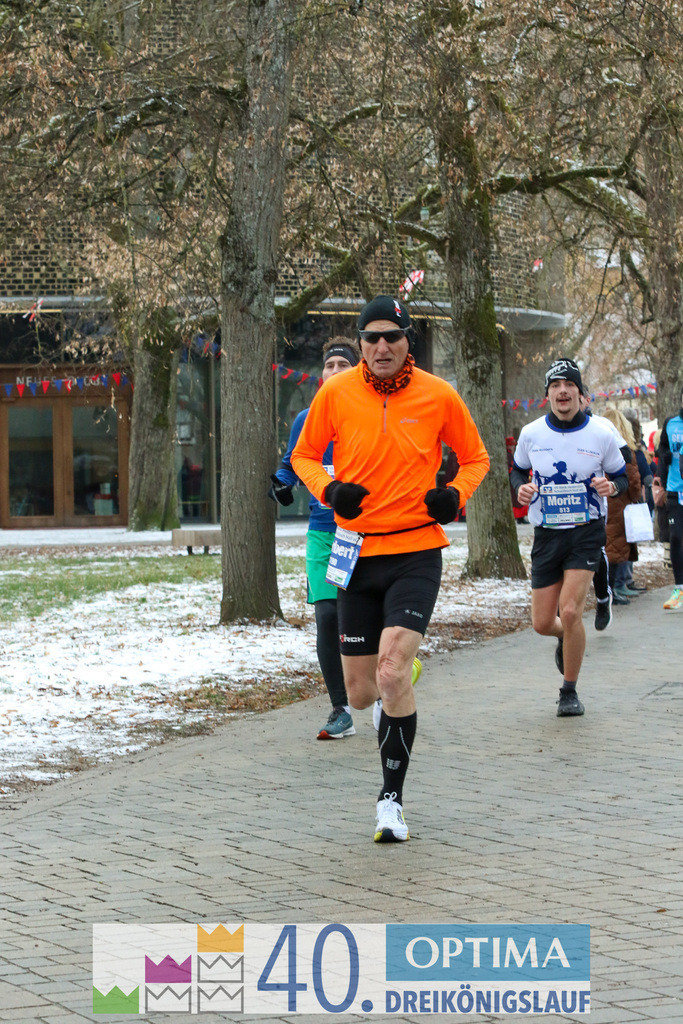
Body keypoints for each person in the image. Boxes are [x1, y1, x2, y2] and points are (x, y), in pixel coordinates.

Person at [291, 295, 489, 842]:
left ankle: (390, 803)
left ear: (408, 343)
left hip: (416, 551)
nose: (382, 346)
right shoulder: (335, 393)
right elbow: (303, 457)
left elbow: (476, 458)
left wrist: (455, 495)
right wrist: (329, 490)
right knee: (359, 695)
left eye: (393, 337)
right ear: (360, 343)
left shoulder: (439, 394)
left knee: (390, 671)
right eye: (372, 337)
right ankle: (393, 684)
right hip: (355, 551)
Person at [511, 358, 627, 717]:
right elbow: (516, 470)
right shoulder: (531, 434)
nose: (563, 391)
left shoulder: (601, 433)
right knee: (543, 623)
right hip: (547, 534)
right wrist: (522, 489)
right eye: (556, 385)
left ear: (580, 393)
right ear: (547, 395)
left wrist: (612, 486)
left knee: (572, 609)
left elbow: (622, 475)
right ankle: (566, 636)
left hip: (586, 532)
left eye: (569, 385)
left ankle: (569, 691)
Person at [269, 338, 361, 739]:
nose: (336, 371)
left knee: (363, 619)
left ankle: (383, 682)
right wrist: (281, 486)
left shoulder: (372, 414)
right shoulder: (306, 419)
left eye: (344, 364)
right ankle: (340, 707)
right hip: (323, 533)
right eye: (330, 365)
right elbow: (292, 464)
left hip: (366, 533)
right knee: (327, 618)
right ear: (321, 374)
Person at [579, 390, 627, 626]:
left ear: (587, 400)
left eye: (578, 396)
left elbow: (624, 456)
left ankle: (601, 598)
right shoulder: (547, 430)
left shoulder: (602, 426)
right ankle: (561, 614)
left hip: (594, 501)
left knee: (596, 551)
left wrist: (608, 481)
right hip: (558, 507)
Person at [600, 407, 644, 602]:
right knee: (618, 547)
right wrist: (637, 497)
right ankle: (616, 588)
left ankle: (609, 589)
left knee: (608, 547)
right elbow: (633, 480)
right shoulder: (626, 451)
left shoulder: (599, 447)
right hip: (621, 503)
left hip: (603, 501)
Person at [655, 383, 683, 610]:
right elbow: (662, 448)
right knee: (675, 538)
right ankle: (679, 589)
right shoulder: (671, 423)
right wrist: (664, 457)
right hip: (676, 491)